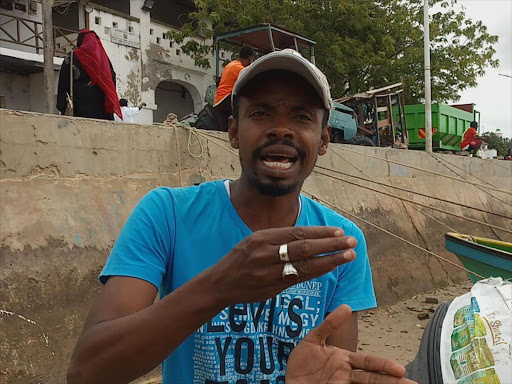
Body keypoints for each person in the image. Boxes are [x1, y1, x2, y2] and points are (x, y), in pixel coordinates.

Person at [67, 49, 415, 384]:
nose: (281, 129)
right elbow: (87, 372)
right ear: (233, 131)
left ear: (323, 140)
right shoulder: (168, 214)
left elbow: (334, 366)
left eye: (301, 116)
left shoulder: (340, 242)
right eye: (261, 113)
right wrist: (220, 286)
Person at [57, 29, 122, 121]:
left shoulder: (72, 57)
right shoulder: (104, 61)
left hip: (79, 111)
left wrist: (62, 105)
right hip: (102, 114)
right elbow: (112, 82)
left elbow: (63, 83)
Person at [213, 45, 255, 131]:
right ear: (250, 58)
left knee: (224, 130)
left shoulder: (230, 64)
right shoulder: (240, 69)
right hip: (227, 99)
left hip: (217, 101)